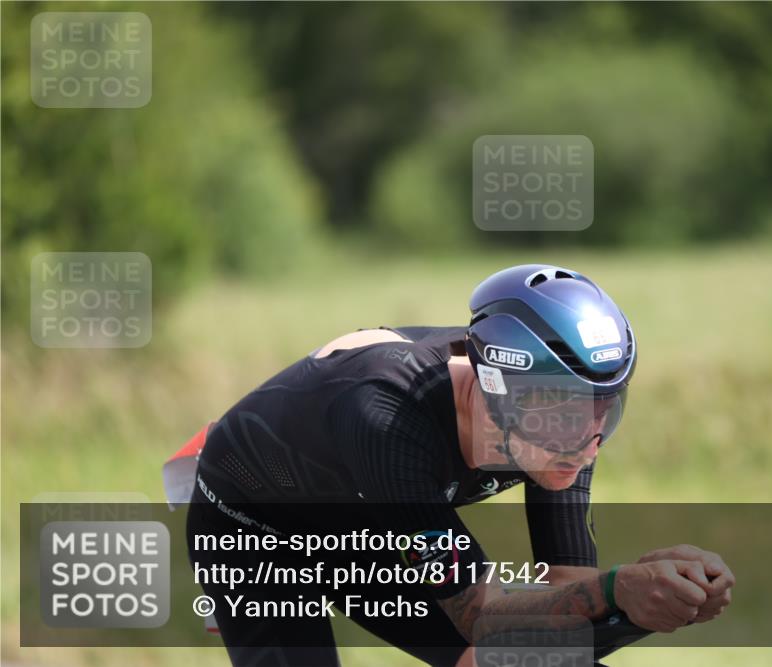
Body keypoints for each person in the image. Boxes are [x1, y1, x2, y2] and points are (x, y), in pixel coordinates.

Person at [181, 264, 734, 666]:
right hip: (257, 526)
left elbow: (565, 588)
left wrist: (666, 592)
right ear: (497, 389)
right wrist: (621, 593)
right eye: (566, 413)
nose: (588, 440)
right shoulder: (387, 413)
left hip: (368, 517)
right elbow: (484, 616)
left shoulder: (562, 424)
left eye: (606, 410)